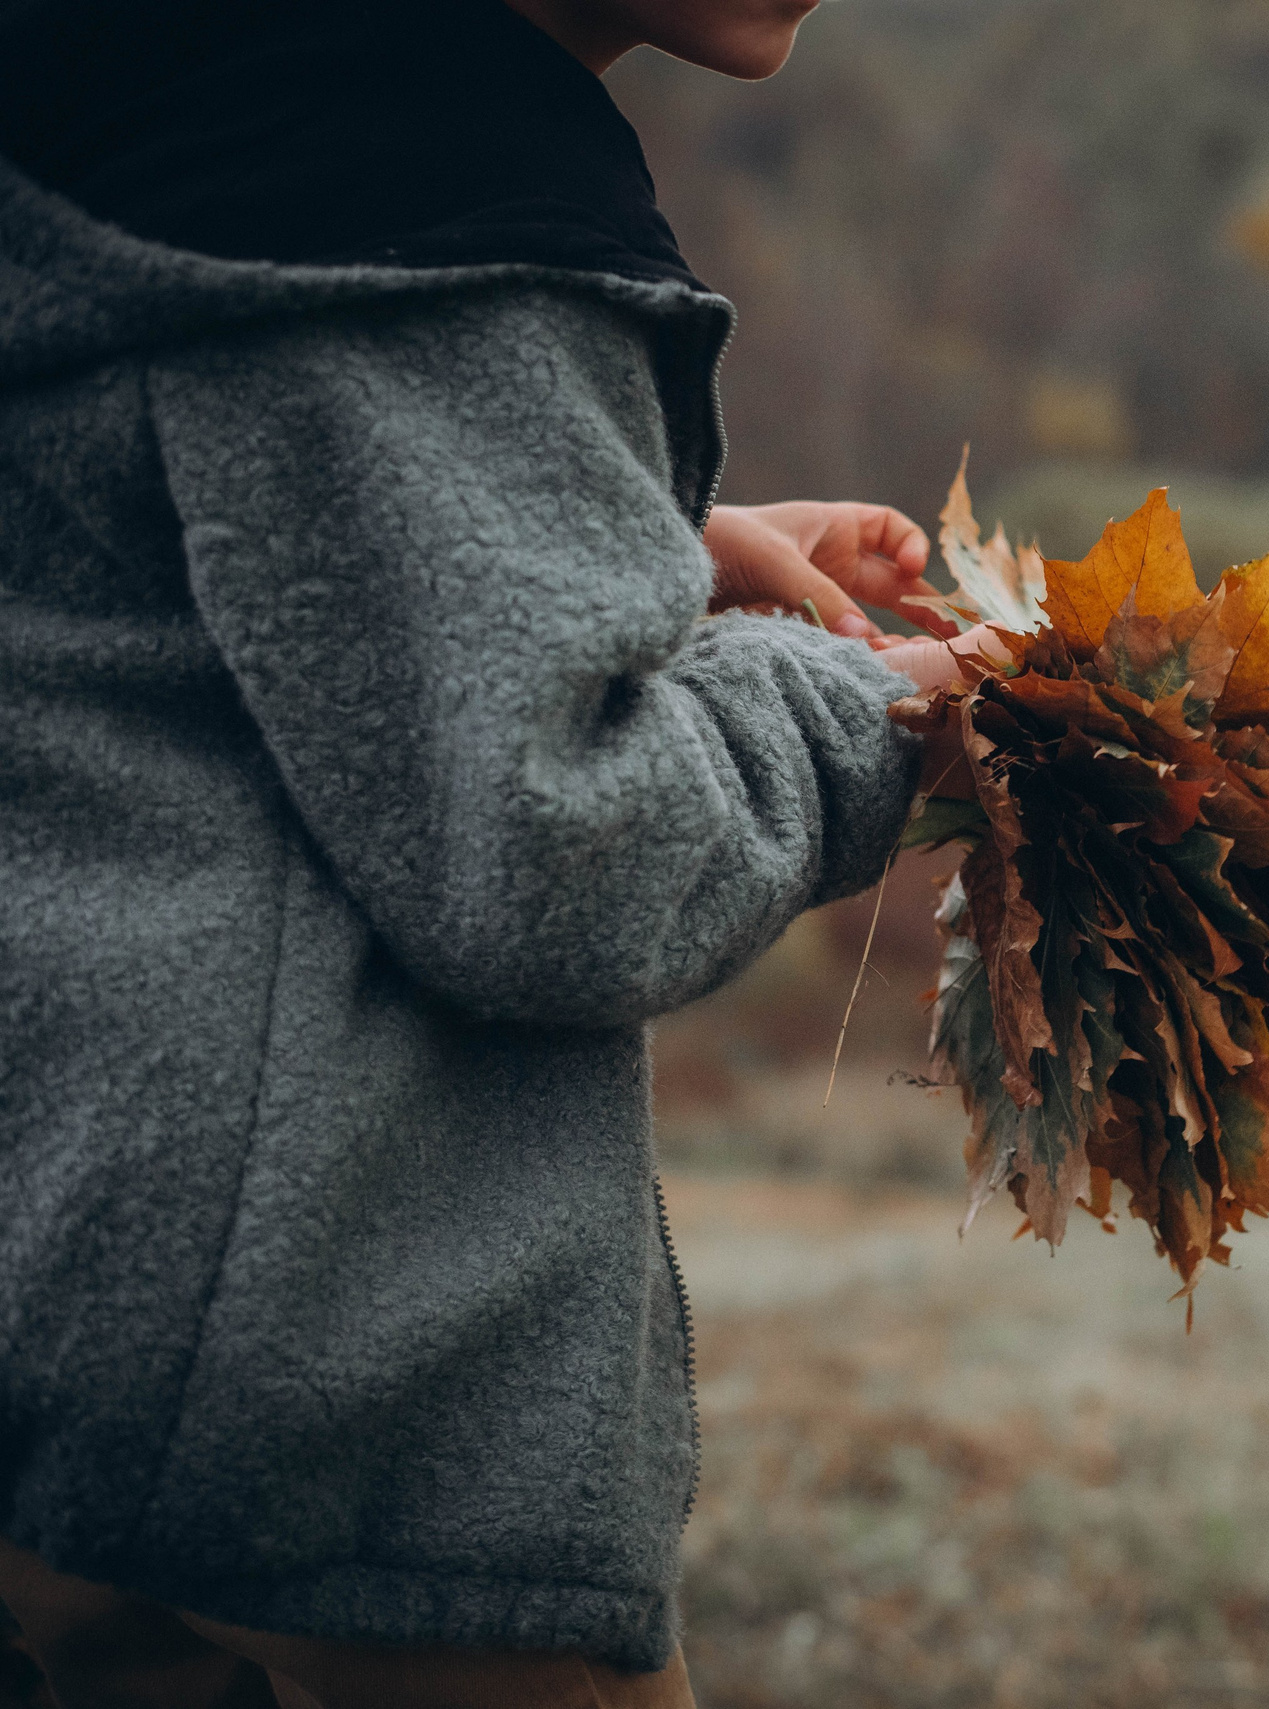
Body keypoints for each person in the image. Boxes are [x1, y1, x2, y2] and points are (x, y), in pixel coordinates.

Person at [0, 1, 986, 1702]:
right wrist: (870, 712)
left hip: (63, 1281)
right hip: (334, 1362)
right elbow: (562, 848)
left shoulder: (132, 102)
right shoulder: (431, 172)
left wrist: (638, 549)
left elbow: (168, 558)